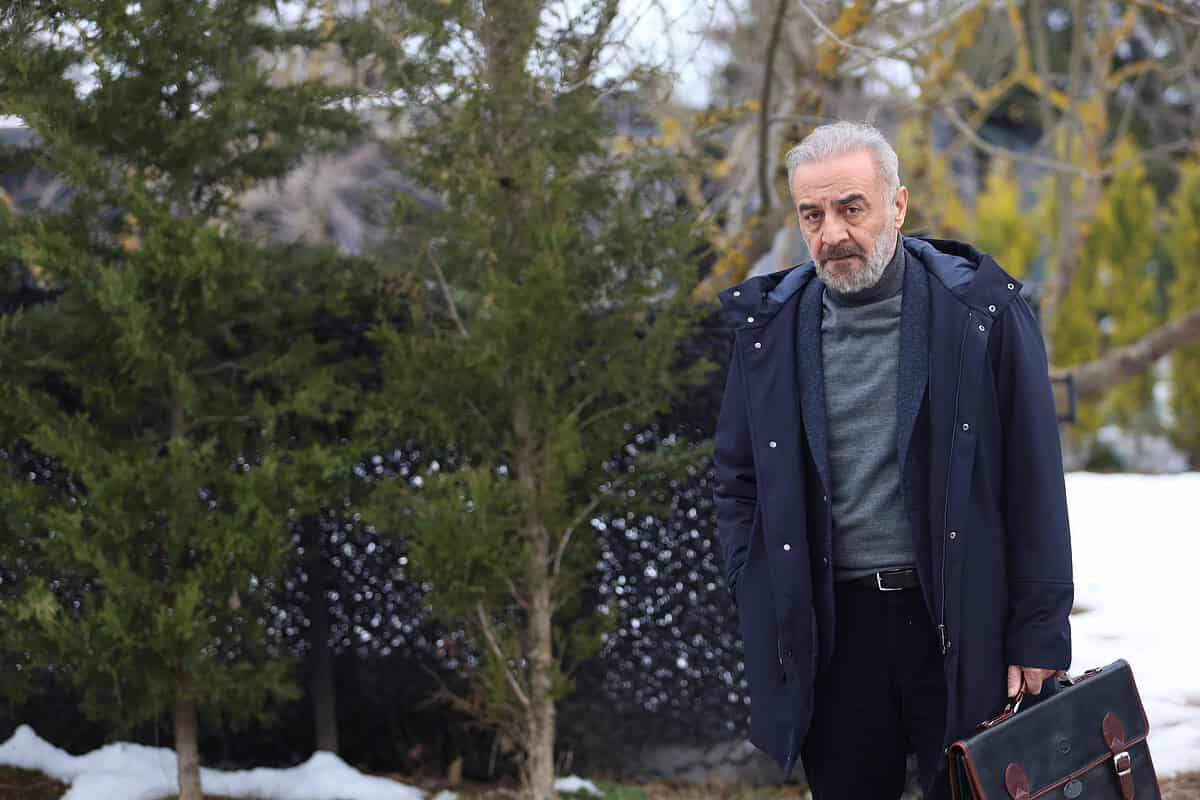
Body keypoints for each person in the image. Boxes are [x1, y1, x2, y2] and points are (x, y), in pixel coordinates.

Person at [711, 121, 1073, 799]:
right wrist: (751, 579)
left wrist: (1040, 633)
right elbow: (737, 478)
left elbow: (1035, 483)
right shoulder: (769, 330)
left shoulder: (981, 313)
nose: (832, 233)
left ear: (898, 205)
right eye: (812, 215)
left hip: (961, 624)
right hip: (832, 636)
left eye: (852, 208)